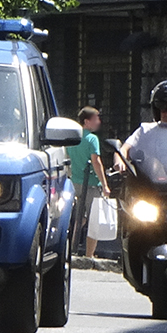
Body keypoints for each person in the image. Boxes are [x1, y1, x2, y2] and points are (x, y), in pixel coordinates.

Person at [68, 106, 111, 258]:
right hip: (91, 184)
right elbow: (96, 162)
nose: (99, 122)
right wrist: (105, 184)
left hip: (75, 182)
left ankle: (72, 249)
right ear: (86, 121)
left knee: (80, 218)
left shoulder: (73, 137)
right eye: (96, 119)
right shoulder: (92, 139)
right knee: (94, 221)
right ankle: (89, 255)